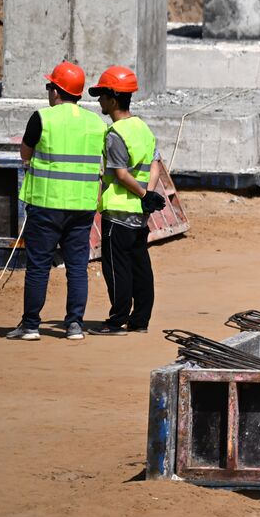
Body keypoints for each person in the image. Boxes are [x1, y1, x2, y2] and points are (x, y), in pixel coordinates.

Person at [6, 62, 107, 342]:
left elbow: (25, 154)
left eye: (50, 86)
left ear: (57, 91)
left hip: (46, 204)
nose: (49, 91)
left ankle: (31, 326)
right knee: (77, 268)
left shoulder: (42, 118)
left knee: (38, 266)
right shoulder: (96, 124)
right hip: (82, 205)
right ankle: (74, 324)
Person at [88, 66, 166, 336]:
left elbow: (120, 174)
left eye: (101, 95)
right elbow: (155, 162)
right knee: (140, 266)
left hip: (119, 213)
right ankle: (140, 320)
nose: (99, 101)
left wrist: (145, 195)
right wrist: (149, 194)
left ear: (112, 98)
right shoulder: (142, 128)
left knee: (116, 268)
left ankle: (116, 320)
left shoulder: (115, 134)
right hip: (139, 215)